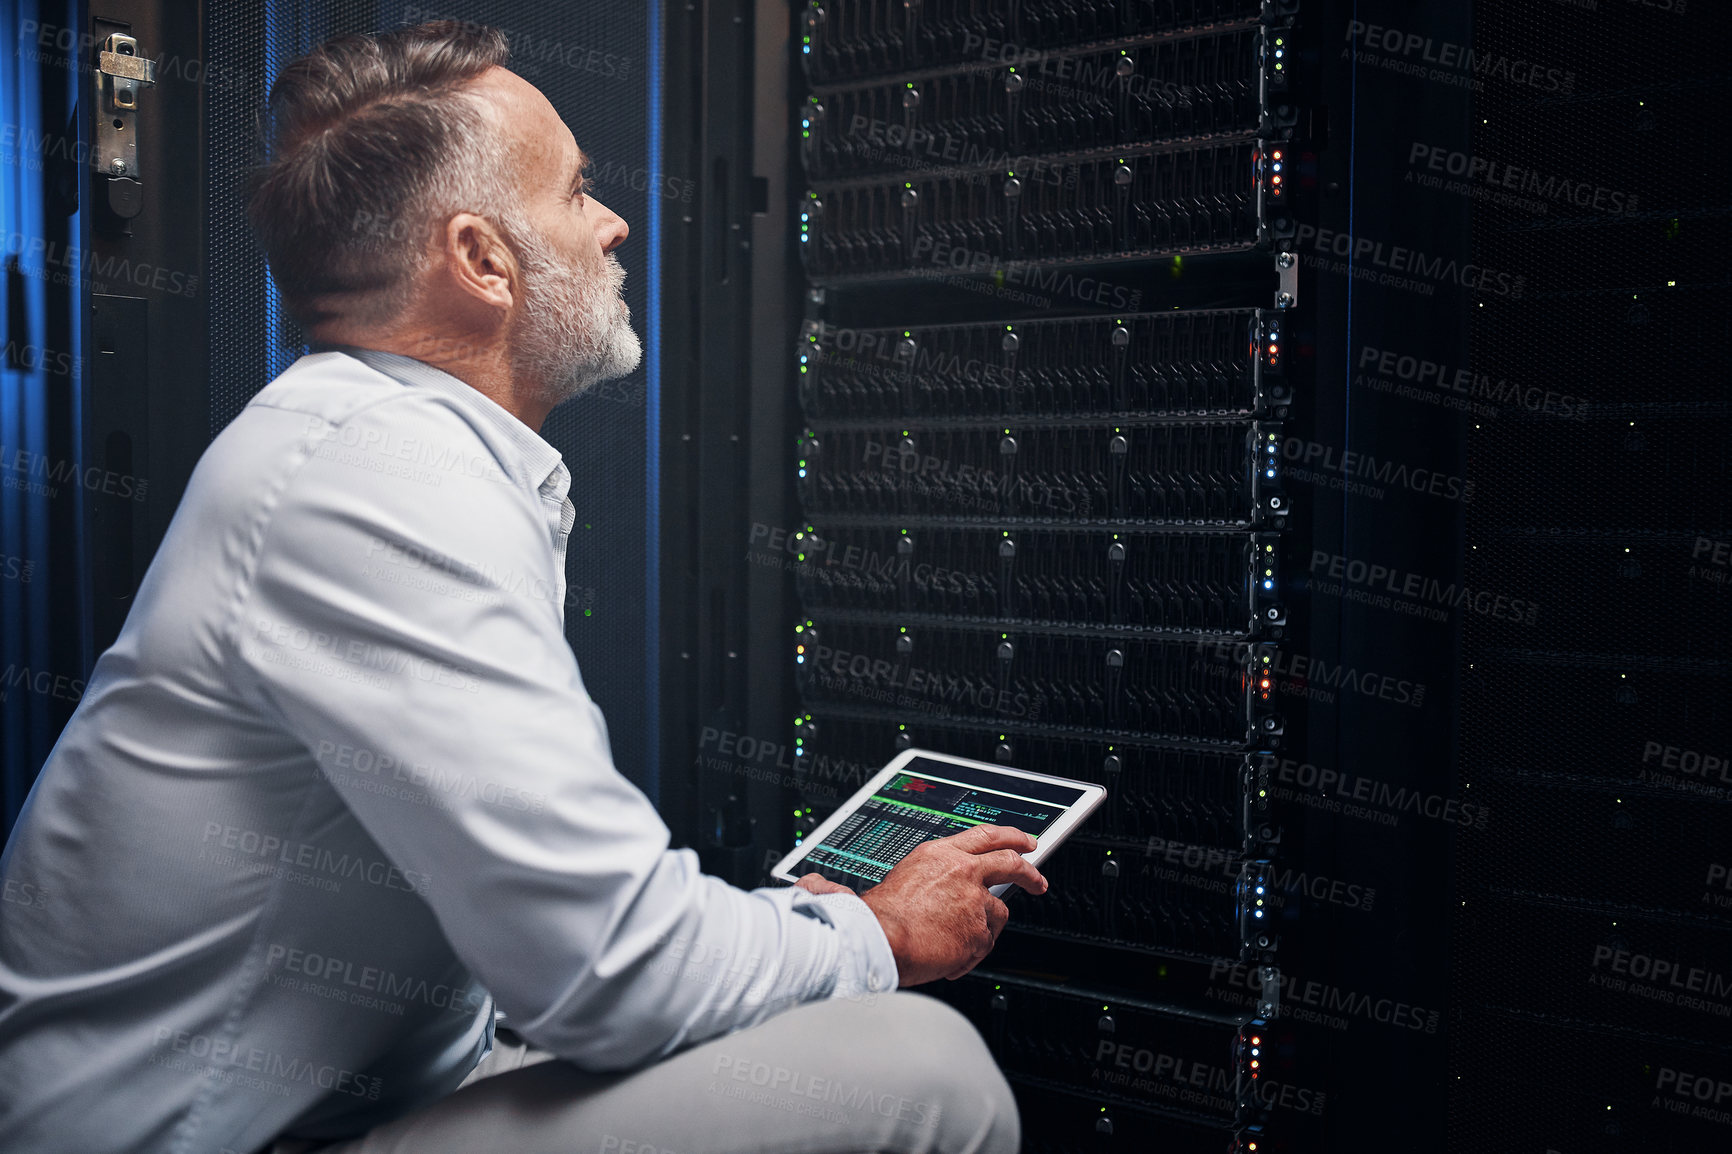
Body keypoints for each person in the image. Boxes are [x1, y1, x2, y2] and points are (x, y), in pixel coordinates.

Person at [0, 20, 1045, 1154]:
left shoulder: (373, 442)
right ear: (482, 261)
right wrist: (874, 932)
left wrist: (795, 939)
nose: (613, 223)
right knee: (920, 1070)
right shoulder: (378, 478)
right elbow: (610, 968)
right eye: (578, 190)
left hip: (374, 1092)